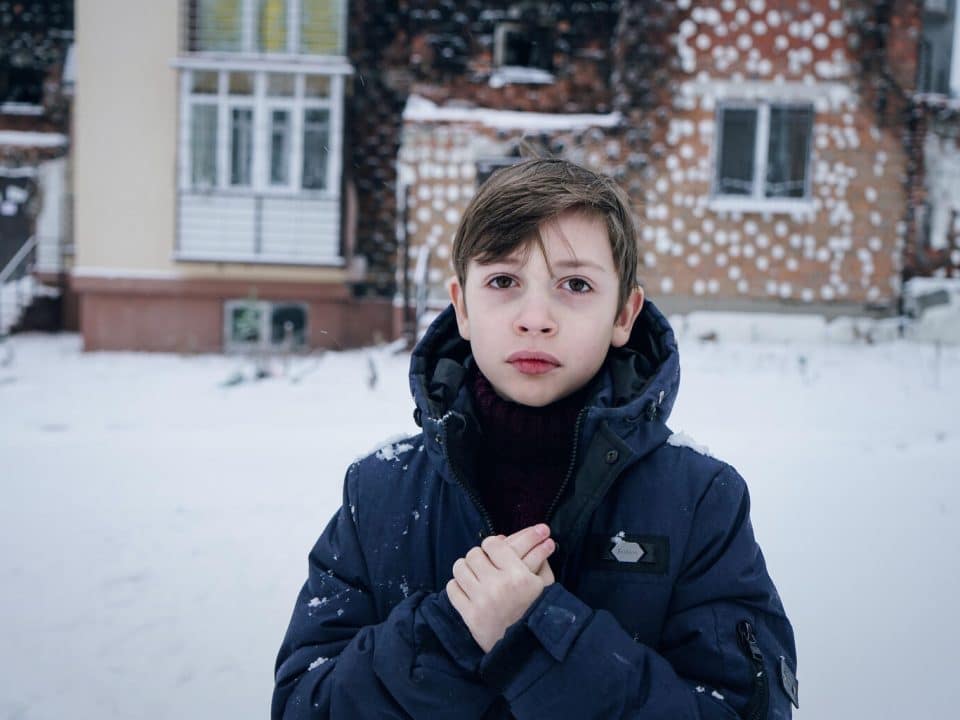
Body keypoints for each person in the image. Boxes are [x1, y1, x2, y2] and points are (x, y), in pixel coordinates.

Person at [272, 158, 798, 719]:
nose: (535, 317)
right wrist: (449, 636)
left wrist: (544, 640)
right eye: (503, 281)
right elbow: (306, 705)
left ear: (624, 312)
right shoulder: (377, 494)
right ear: (462, 305)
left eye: (575, 284)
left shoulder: (699, 501)